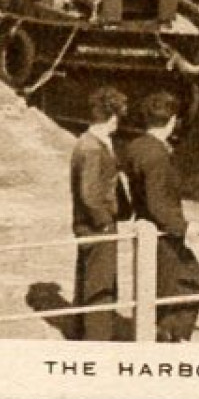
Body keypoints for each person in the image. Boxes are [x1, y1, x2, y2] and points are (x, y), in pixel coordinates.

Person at [116, 92, 199, 342]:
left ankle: (163, 331)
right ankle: (173, 335)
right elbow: (158, 202)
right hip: (163, 232)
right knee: (190, 277)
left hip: (145, 224)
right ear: (172, 120)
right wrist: (184, 227)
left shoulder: (136, 146)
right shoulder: (158, 156)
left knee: (162, 283)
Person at [70, 87, 128, 340]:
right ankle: (98, 337)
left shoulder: (85, 142)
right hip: (97, 225)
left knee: (88, 278)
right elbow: (89, 193)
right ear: (112, 116)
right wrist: (104, 222)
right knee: (101, 283)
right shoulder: (94, 149)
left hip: (84, 223)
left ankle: (82, 332)